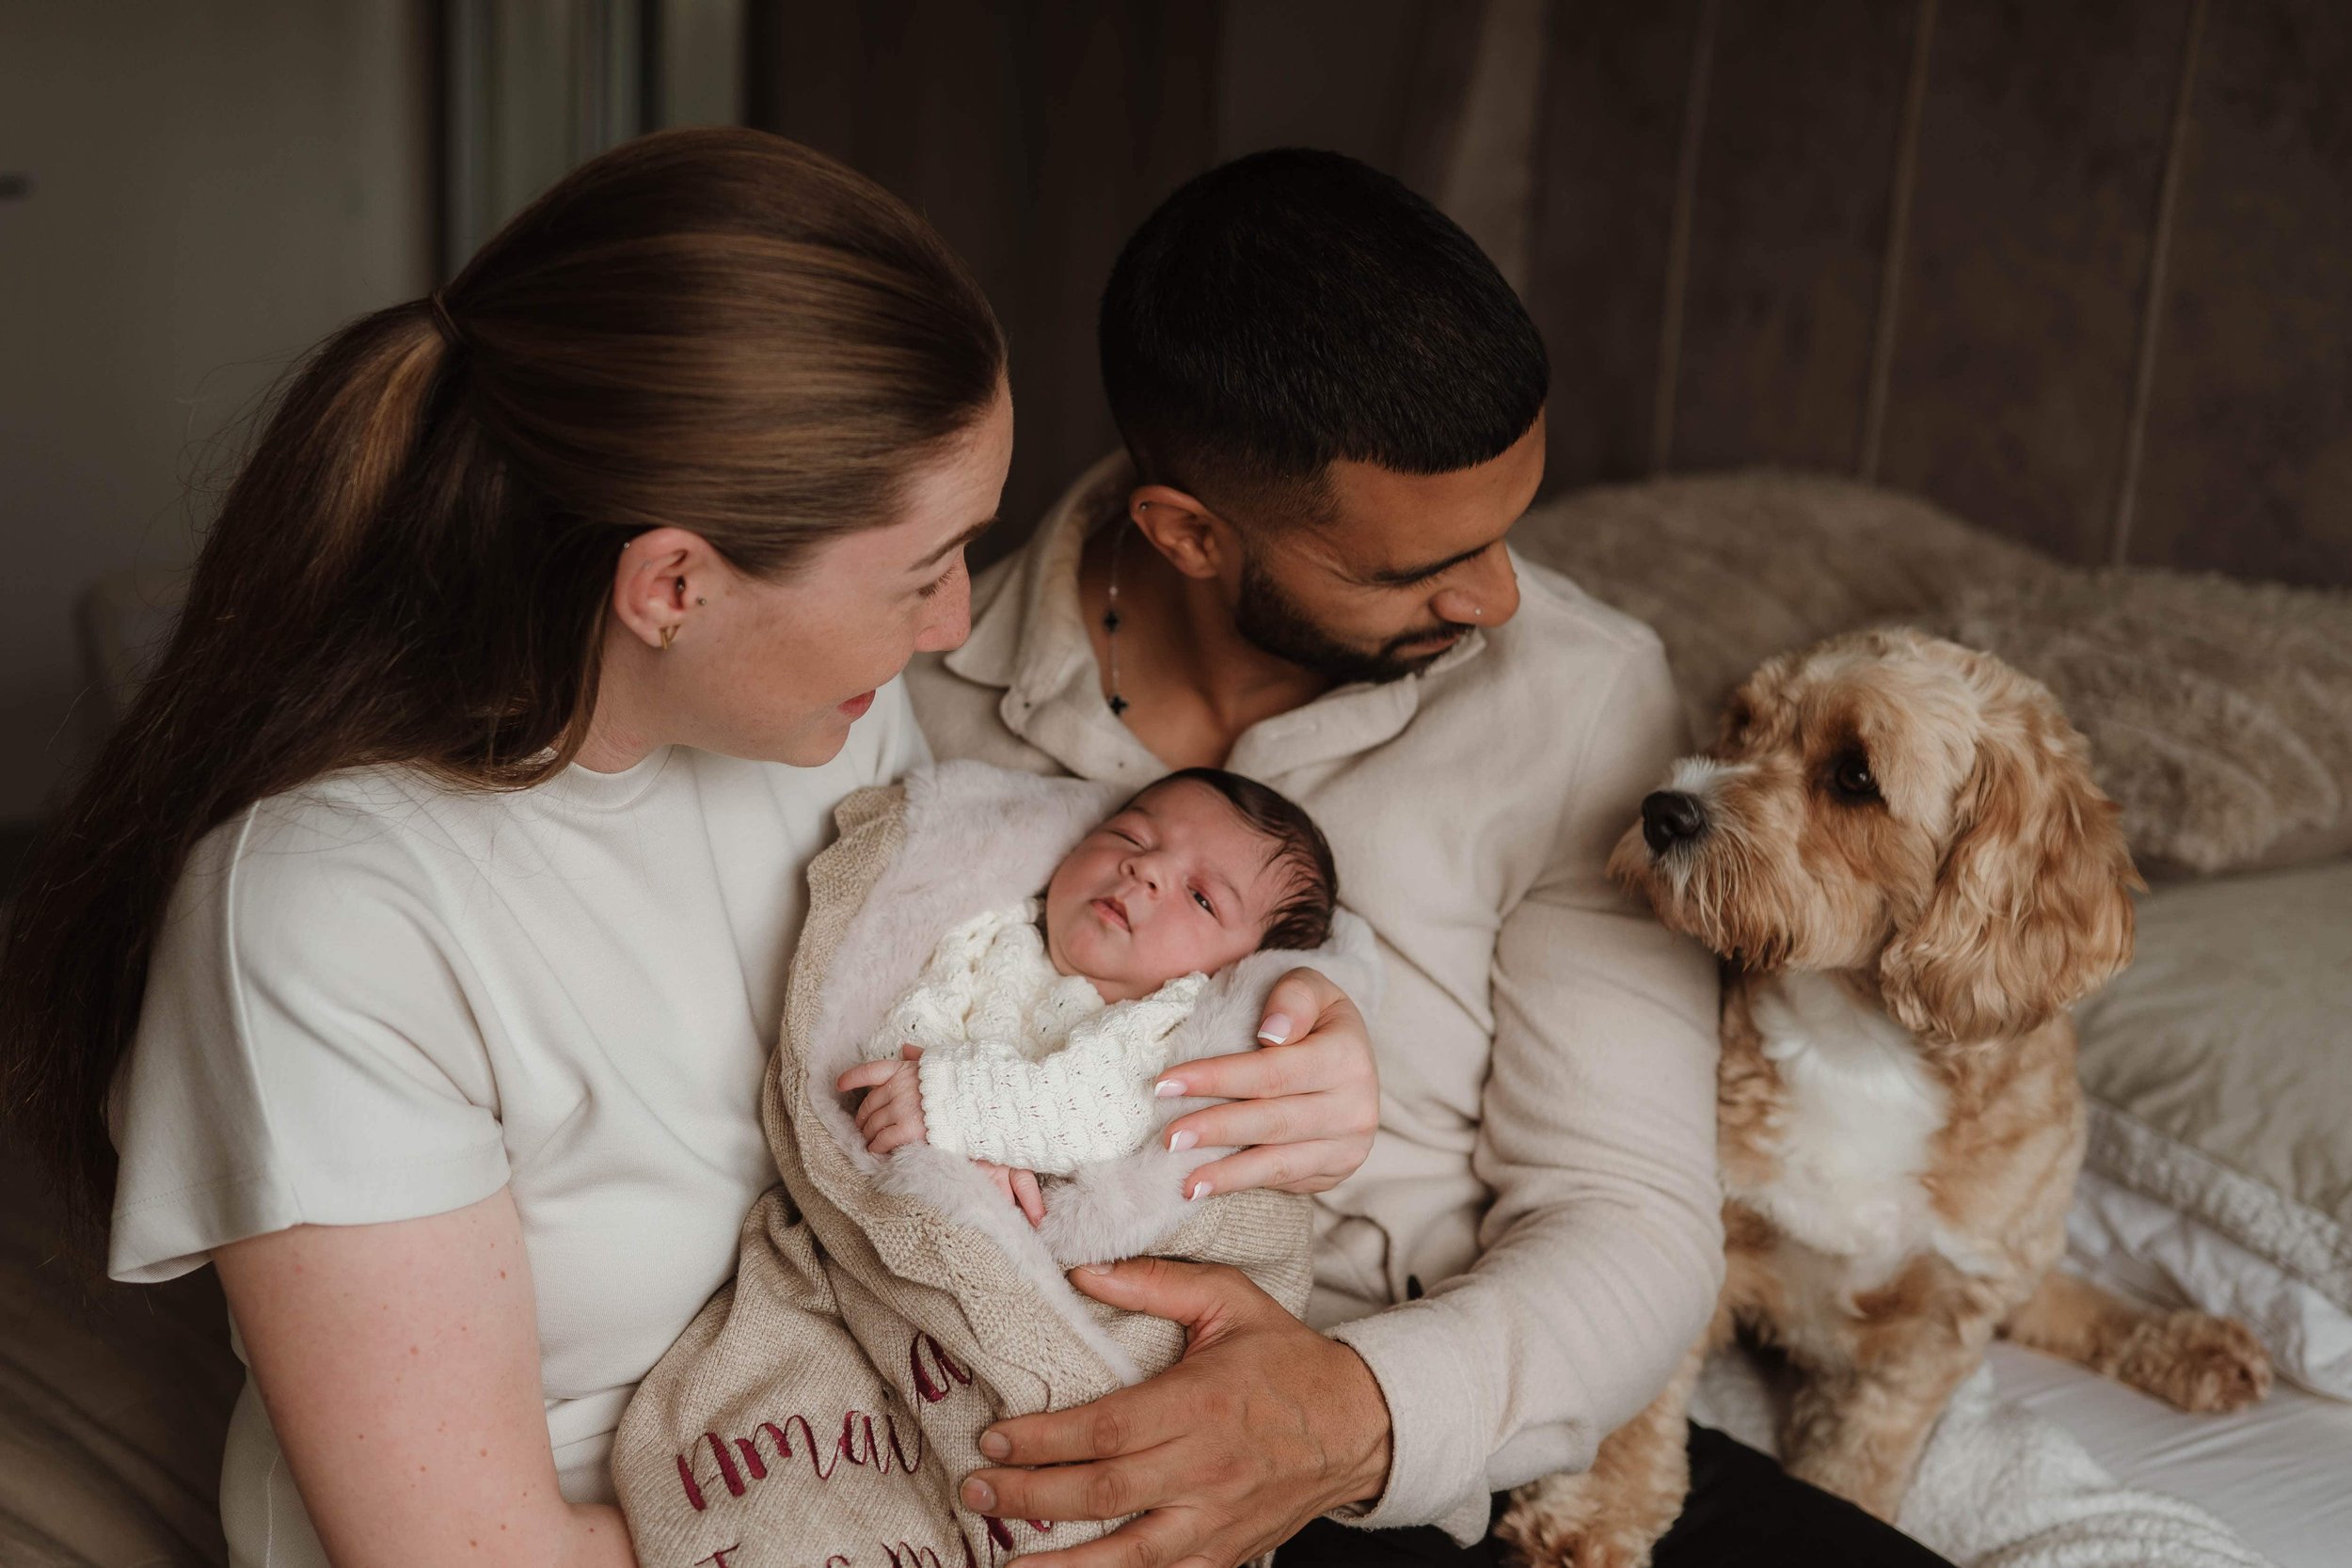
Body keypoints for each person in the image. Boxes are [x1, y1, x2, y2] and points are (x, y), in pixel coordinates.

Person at [0, 129, 1382, 1568]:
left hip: (908, 1440)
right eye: (922, 572)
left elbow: (1052, 980)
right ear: (672, 583)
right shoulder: (330, 915)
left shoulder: (829, 726)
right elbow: (463, 1548)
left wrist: (1298, 1043)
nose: (955, 627)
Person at [906, 149, 1958, 1566]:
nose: (1500, 595)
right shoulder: (923, 693)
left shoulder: (1578, 694)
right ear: (1190, 534)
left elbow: (1630, 1216)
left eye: (1509, 524)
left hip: (1424, 1413)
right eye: (1416, 570)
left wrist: (1348, 1411)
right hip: (1008, 1397)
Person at [840, 766, 1341, 1216]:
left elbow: (1107, 1110)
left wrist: (957, 1106)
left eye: (1201, 897)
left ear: (1238, 967)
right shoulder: (992, 930)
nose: (1147, 869)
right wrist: (943, 1129)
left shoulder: (1170, 1021)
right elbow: (903, 1021)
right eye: (1132, 837)